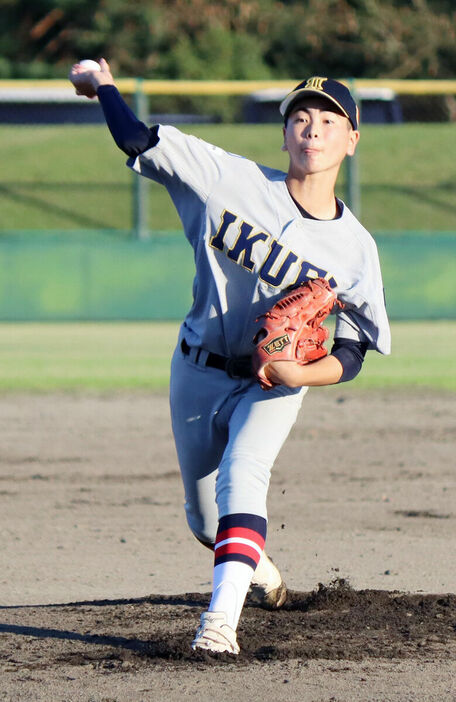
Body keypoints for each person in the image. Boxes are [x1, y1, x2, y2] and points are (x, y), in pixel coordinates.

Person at [69, 61, 391, 655]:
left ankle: (220, 624)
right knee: (206, 523)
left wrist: (298, 372)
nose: (312, 130)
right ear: (285, 133)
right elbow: (138, 139)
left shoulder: (355, 248)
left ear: (352, 140)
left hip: (273, 384)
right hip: (196, 367)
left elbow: (353, 350)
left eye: (328, 120)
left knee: (245, 476)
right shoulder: (228, 180)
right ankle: (262, 576)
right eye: (300, 117)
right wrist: (104, 86)